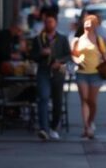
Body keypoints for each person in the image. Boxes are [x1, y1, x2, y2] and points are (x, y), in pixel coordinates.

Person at [30, 12, 72, 141]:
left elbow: (69, 55)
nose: (49, 24)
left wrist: (59, 61)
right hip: (43, 72)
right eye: (47, 22)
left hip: (58, 73)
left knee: (57, 102)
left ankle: (53, 127)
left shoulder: (62, 39)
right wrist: (41, 53)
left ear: (56, 23)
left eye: (51, 22)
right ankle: (44, 129)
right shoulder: (38, 39)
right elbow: (32, 56)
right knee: (43, 98)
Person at [72, 14, 106, 139]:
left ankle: (90, 122)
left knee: (92, 101)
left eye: (92, 23)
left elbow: (105, 55)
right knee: (84, 100)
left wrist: (105, 61)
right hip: (81, 74)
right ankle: (86, 127)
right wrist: (76, 60)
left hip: (96, 74)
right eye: (86, 22)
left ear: (96, 25)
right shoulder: (77, 40)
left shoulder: (99, 40)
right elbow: (73, 54)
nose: (88, 25)